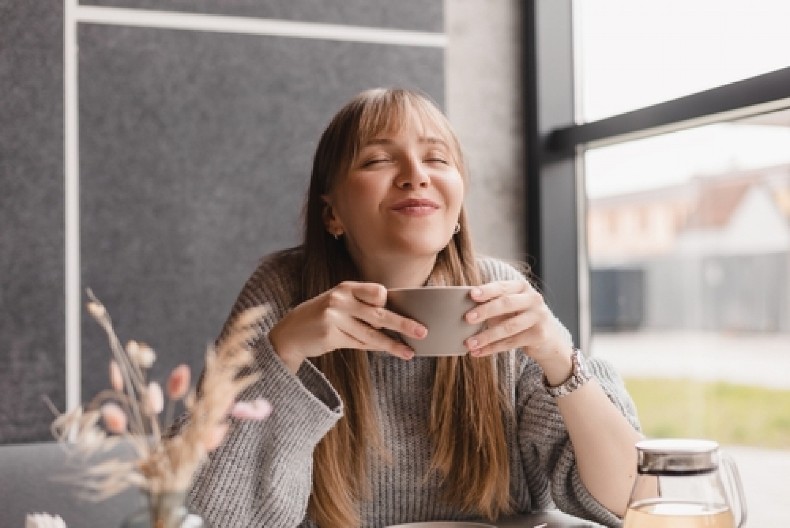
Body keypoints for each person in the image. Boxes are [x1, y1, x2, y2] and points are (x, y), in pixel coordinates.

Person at [186, 88, 643, 528]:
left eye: (436, 158)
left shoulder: (500, 295)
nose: (415, 174)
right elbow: (203, 517)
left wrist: (560, 358)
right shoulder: (284, 292)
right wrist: (282, 352)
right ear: (332, 214)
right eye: (378, 159)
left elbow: (631, 501)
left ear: (457, 201)